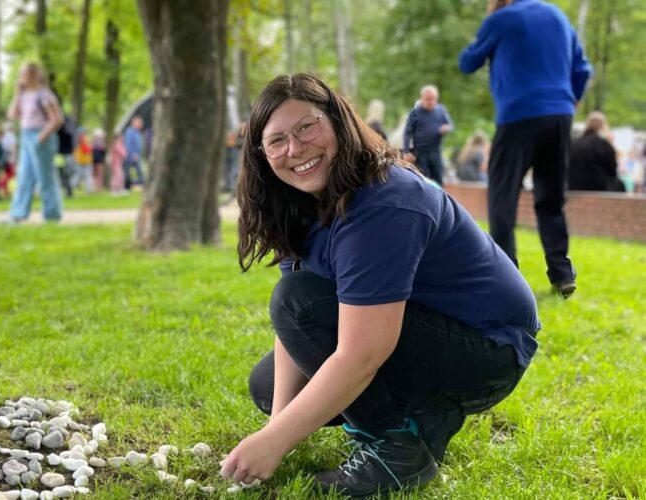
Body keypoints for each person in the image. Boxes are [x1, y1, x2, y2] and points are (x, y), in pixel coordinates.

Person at [225, 73, 537, 498]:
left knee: (299, 304)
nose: (295, 149)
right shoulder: (306, 202)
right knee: (269, 385)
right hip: (428, 332)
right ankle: (425, 418)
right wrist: (277, 428)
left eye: (307, 127)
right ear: (261, 155)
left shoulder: (383, 203)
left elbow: (359, 350)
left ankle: (397, 452)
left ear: (338, 121)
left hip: (488, 350)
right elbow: (294, 329)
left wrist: (275, 444)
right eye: (276, 140)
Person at [459, 0, 592, 299]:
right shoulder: (557, 16)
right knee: (551, 197)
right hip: (559, 116)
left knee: (502, 196)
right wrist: (570, 101)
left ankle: (507, 278)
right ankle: (562, 274)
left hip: (518, 115)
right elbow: (583, 69)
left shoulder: (502, 19)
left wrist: (487, 28)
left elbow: (468, 62)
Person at [5, 62, 64, 222]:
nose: (21, 77)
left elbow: (57, 119)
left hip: (40, 136)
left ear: (33, 75)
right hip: (25, 135)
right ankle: (18, 213)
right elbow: (12, 115)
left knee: (45, 177)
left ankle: (52, 214)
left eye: (23, 74)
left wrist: (42, 137)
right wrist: (17, 94)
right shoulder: (24, 95)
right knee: (24, 176)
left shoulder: (44, 95)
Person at [402, 85, 453, 186]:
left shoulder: (441, 110)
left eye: (433, 99)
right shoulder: (415, 112)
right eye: (428, 99)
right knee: (423, 180)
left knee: (439, 179)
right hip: (420, 153)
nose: (431, 102)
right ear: (422, 98)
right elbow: (407, 133)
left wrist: (447, 128)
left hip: (436, 151)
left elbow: (450, 125)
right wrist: (406, 151)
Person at [568, 112, 623, 192]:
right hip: (598, 186)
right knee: (620, 185)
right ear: (603, 126)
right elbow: (612, 170)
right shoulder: (604, 144)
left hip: (573, 185)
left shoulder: (574, 143)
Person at [122, 116, 145, 190]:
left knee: (139, 172)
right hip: (130, 156)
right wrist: (133, 154)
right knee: (128, 172)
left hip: (137, 155)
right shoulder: (129, 132)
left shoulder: (137, 132)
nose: (140, 125)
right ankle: (126, 187)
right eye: (139, 123)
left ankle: (141, 186)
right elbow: (128, 144)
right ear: (134, 123)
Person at [0, 122, 18, 199]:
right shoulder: (11, 136)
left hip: (6, 158)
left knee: (9, 174)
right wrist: (14, 158)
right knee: (12, 174)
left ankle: (6, 192)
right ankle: (2, 184)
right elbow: (13, 148)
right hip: (10, 158)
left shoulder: (4, 137)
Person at [74, 130, 94, 194]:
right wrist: (90, 147)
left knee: (81, 175)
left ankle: (88, 189)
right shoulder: (83, 142)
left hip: (84, 161)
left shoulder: (80, 142)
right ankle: (88, 190)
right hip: (84, 161)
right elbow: (87, 150)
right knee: (84, 176)